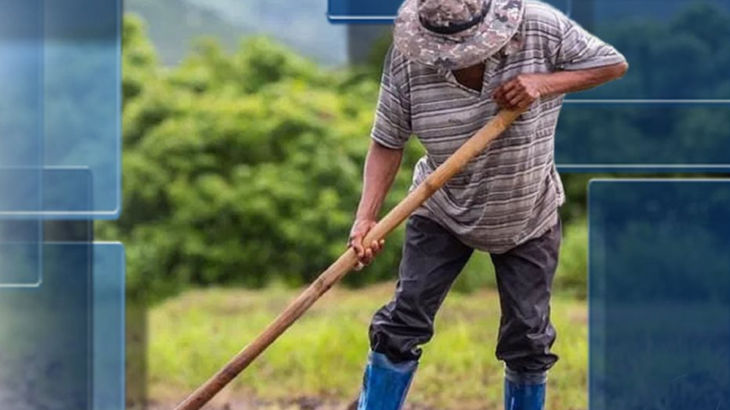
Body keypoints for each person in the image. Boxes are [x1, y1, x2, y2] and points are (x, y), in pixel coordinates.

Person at [347, 0, 628, 409]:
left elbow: (612, 64)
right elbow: (388, 141)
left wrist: (541, 83)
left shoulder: (538, 26)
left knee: (528, 339)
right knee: (401, 323)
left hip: (527, 210)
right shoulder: (409, 59)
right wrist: (366, 218)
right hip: (441, 207)